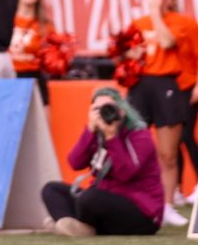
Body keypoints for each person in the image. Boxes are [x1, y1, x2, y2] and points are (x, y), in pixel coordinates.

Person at [128, 0, 198, 228]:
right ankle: (136, 201)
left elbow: (167, 41)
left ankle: (168, 205)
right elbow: (126, 55)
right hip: (141, 85)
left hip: (167, 84)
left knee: (168, 153)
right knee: (134, 148)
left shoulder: (181, 22)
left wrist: (156, 14)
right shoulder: (137, 23)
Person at [41, 87, 163, 237]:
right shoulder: (96, 134)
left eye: (108, 108)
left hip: (141, 211)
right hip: (105, 198)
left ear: (122, 111)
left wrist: (112, 138)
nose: (103, 113)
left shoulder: (140, 136)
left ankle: (73, 224)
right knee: (52, 189)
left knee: (89, 198)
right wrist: (90, 130)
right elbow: (75, 163)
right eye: (97, 109)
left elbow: (126, 173)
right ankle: (71, 224)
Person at [10, 0, 52, 102]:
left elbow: (50, 58)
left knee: (40, 122)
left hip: (34, 79)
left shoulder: (46, 26)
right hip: (9, 79)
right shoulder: (6, 20)